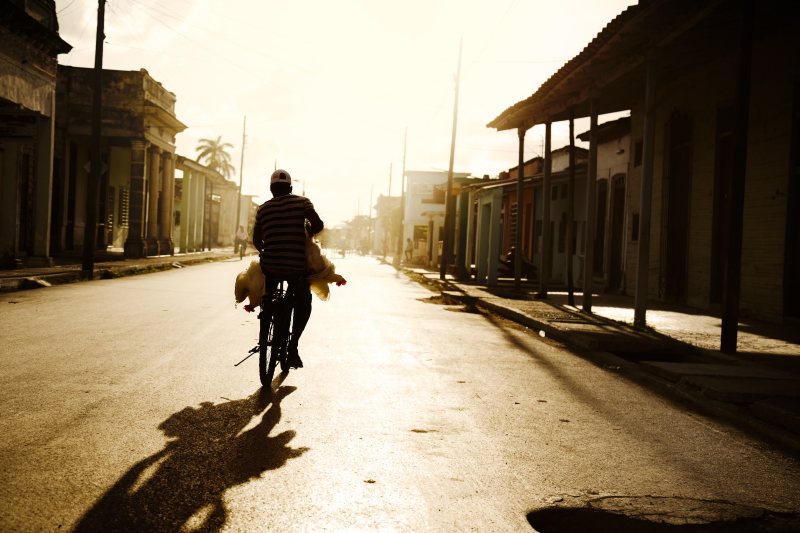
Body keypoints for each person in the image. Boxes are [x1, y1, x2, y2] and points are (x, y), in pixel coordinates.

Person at [252, 169, 324, 369]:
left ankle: (268, 313)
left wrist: (267, 251)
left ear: (271, 189)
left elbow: (257, 239)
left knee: (269, 294)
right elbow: (318, 224)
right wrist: (308, 230)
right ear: (290, 188)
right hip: (296, 267)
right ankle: (293, 345)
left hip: (270, 266)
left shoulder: (262, 209)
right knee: (304, 301)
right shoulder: (302, 203)